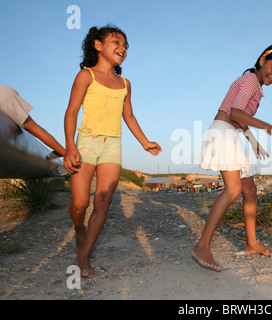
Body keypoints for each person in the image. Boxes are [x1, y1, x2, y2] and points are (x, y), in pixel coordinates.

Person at [63, 25, 162, 278]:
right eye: (116, 42)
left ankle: (83, 256)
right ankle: (78, 228)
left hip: (112, 145)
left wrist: (144, 142)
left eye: (125, 46)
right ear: (98, 45)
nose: (122, 48)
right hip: (86, 141)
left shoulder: (125, 83)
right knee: (79, 203)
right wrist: (70, 146)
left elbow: (128, 116)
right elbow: (72, 111)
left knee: (103, 202)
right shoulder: (86, 76)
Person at [192, 44, 272, 271]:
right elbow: (235, 113)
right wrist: (269, 128)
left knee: (250, 190)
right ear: (262, 61)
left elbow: (241, 119)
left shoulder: (256, 86)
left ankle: (252, 243)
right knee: (233, 189)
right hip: (223, 132)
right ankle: (202, 246)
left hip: (233, 133)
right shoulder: (249, 81)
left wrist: (253, 142)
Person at [0, 85, 67, 173]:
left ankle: (68, 156)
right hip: (4, 93)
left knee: (31, 127)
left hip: (4, 96)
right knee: (29, 127)